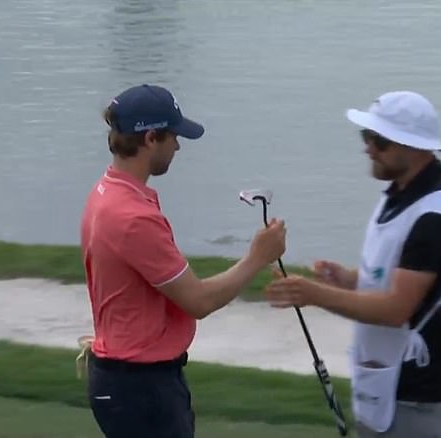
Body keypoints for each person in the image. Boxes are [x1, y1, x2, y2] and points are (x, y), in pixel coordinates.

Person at [264, 91, 441, 438]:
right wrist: (350, 279)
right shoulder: (404, 193)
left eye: (379, 140)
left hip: (425, 391)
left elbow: (396, 309)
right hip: (393, 382)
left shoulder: (436, 218)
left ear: (413, 147)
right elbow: (400, 279)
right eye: (366, 137)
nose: (368, 147)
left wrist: (312, 293)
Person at [78, 83, 287, 438]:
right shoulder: (133, 216)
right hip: (141, 387)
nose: (177, 145)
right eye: (173, 136)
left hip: (125, 378)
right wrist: (257, 257)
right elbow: (199, 301)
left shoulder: (107, 192)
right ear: (150, 139)